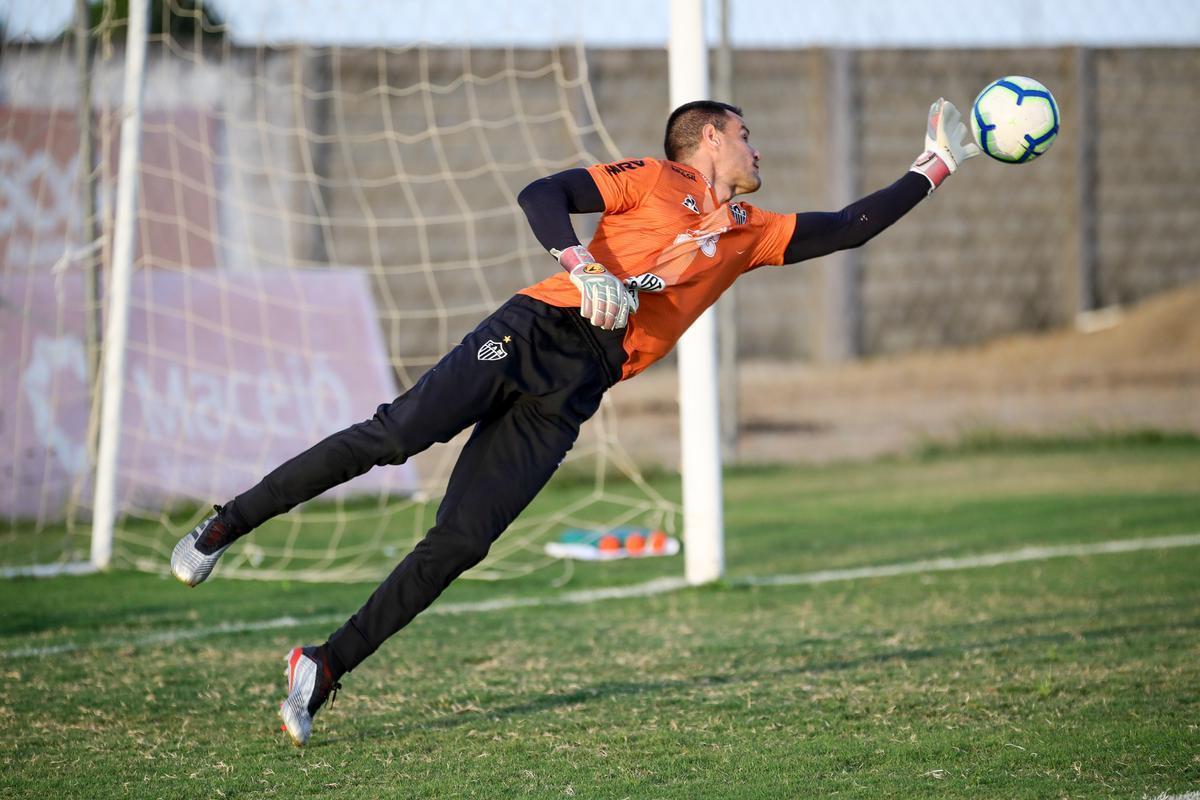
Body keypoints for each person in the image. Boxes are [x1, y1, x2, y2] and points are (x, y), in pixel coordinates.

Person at [171, 98, 980, 746]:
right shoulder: (653, 178)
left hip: (577, 389)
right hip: (535, 329)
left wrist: (938, 164)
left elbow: (851, 226)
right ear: (704, 141)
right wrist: (581, 263)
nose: (756, 149)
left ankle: (323, 665)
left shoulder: (748, 234)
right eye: (745, 134)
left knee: (462, 541)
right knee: (393, 437)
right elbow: (542, 194)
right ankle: (220, 529)